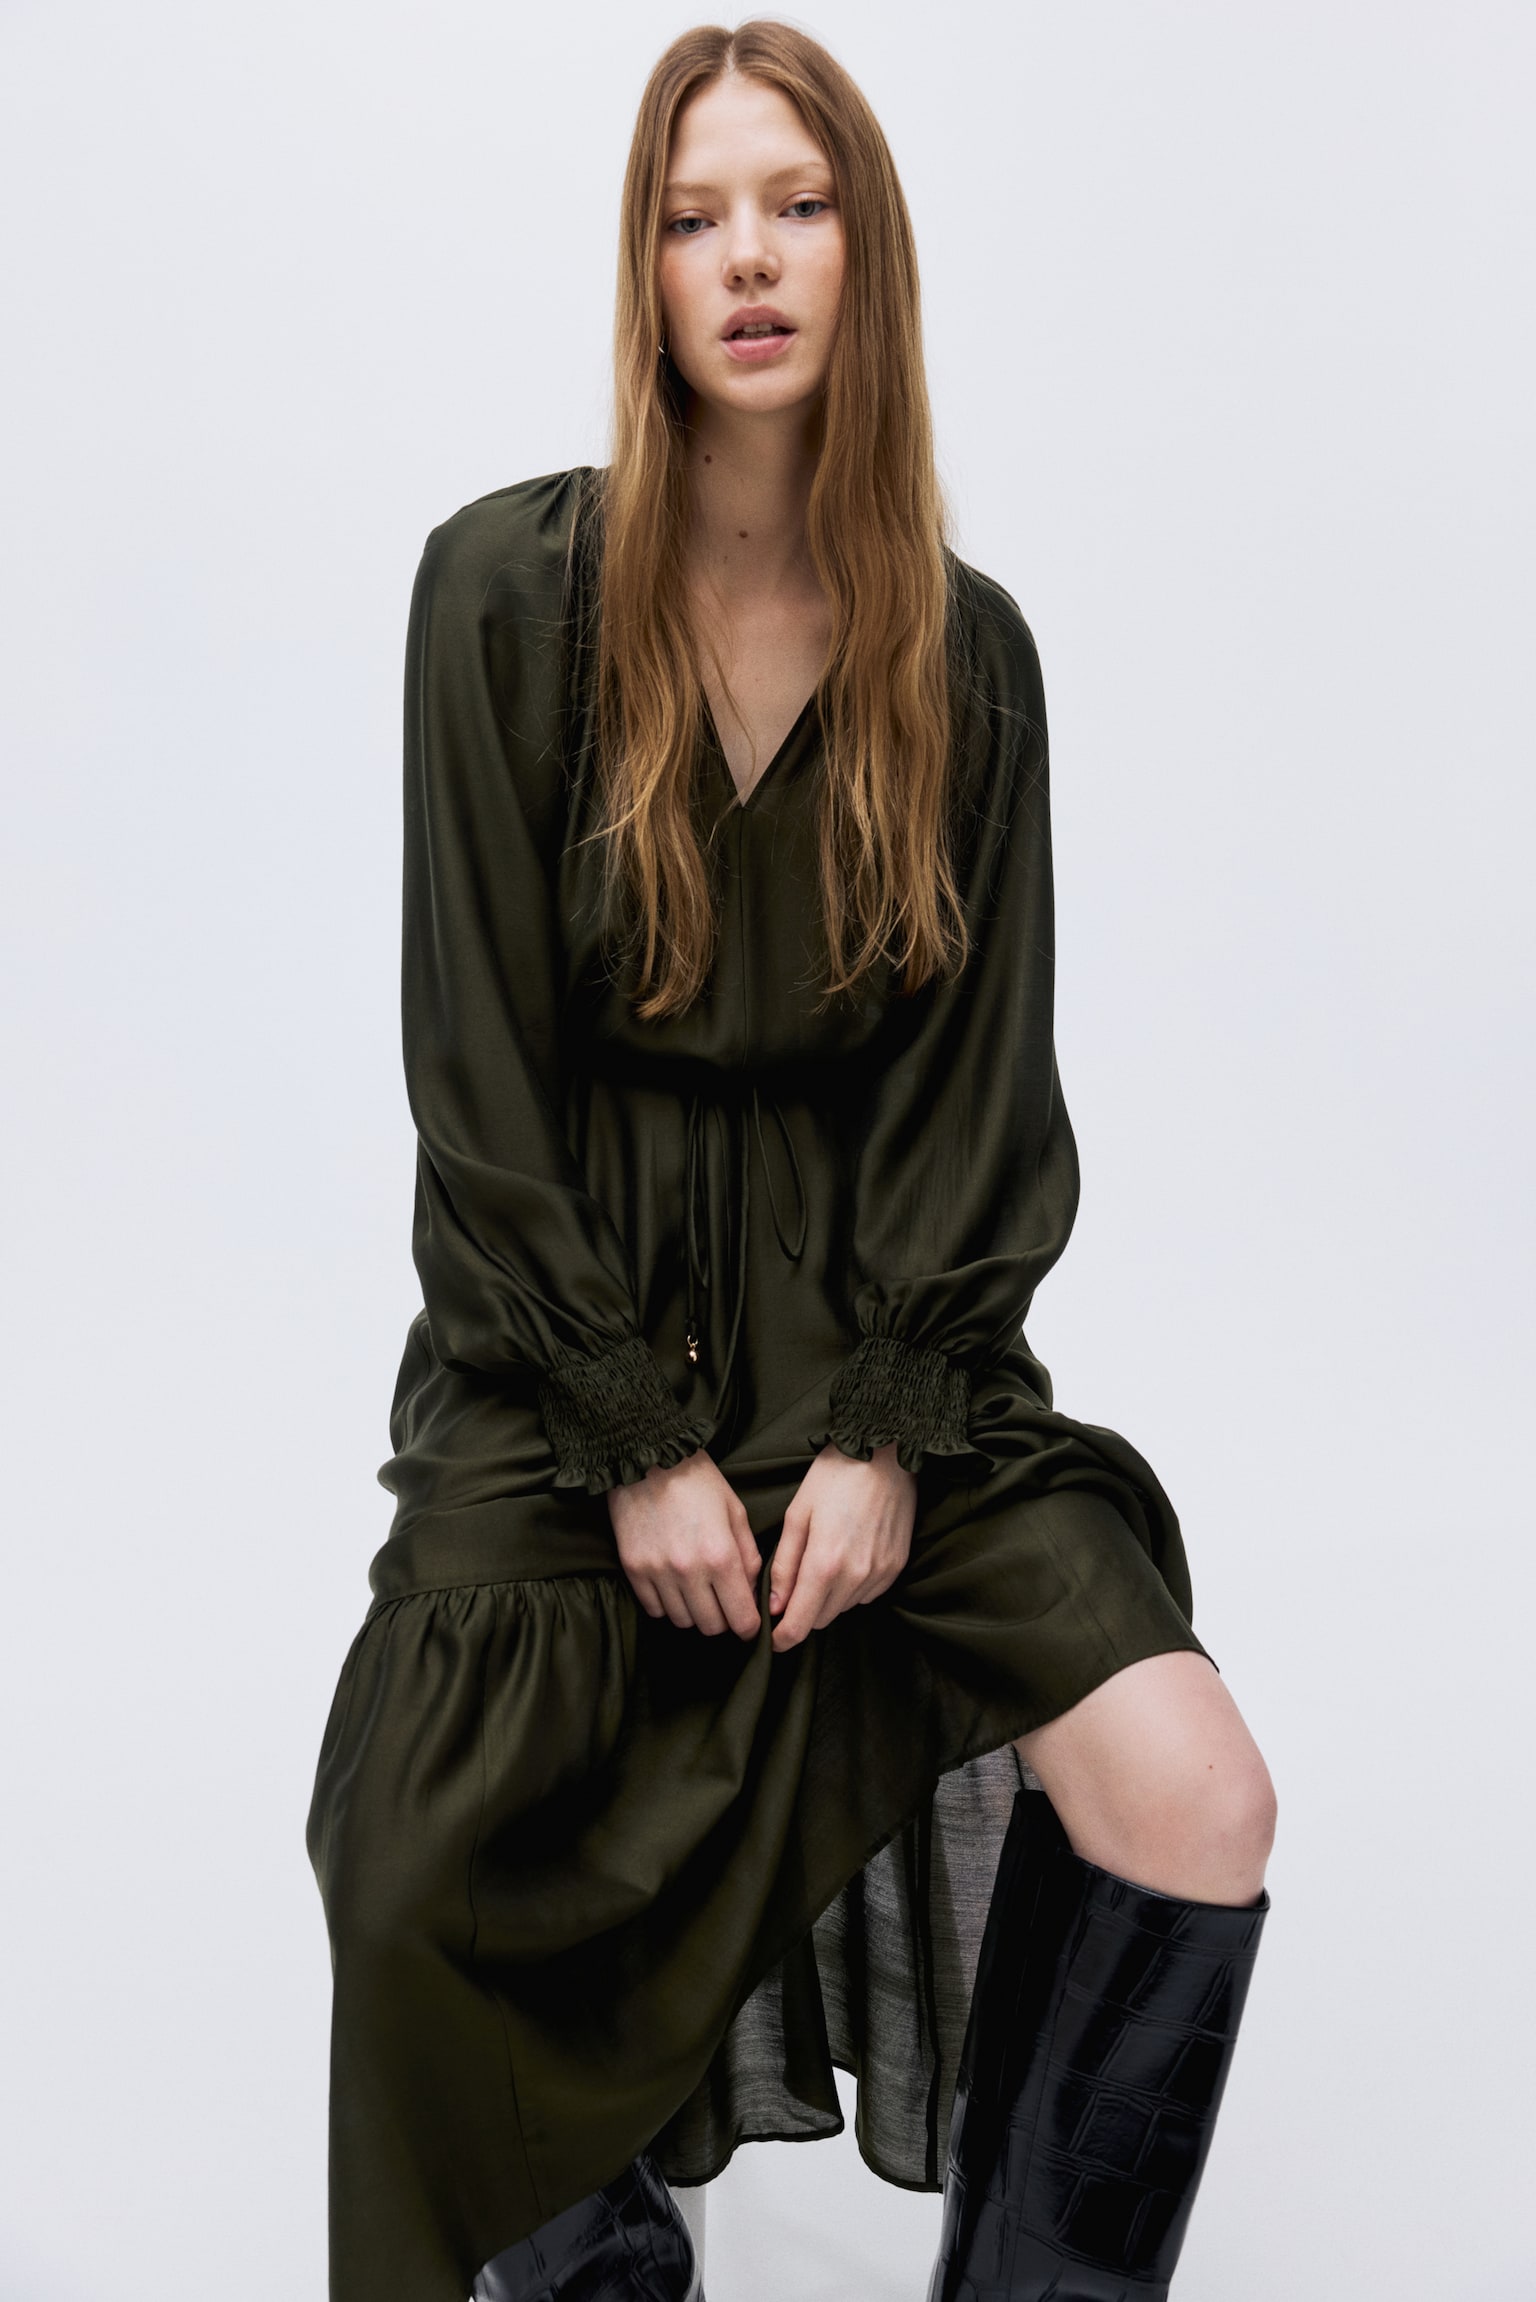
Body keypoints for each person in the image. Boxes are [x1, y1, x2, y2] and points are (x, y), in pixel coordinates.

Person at [306, 20, 1278, 2302]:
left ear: (871, 256)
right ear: (644, 275)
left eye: (798, 205)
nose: (747, 257)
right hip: (568, 1362)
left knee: (1199, 1787)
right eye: (693, 216)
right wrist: (633, 1437)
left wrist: (886, 1433)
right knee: (420, 1861)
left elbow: (982, 1103)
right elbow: (478, 1080)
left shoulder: (970, 654)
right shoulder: (499, 595)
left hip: (878, 1355)